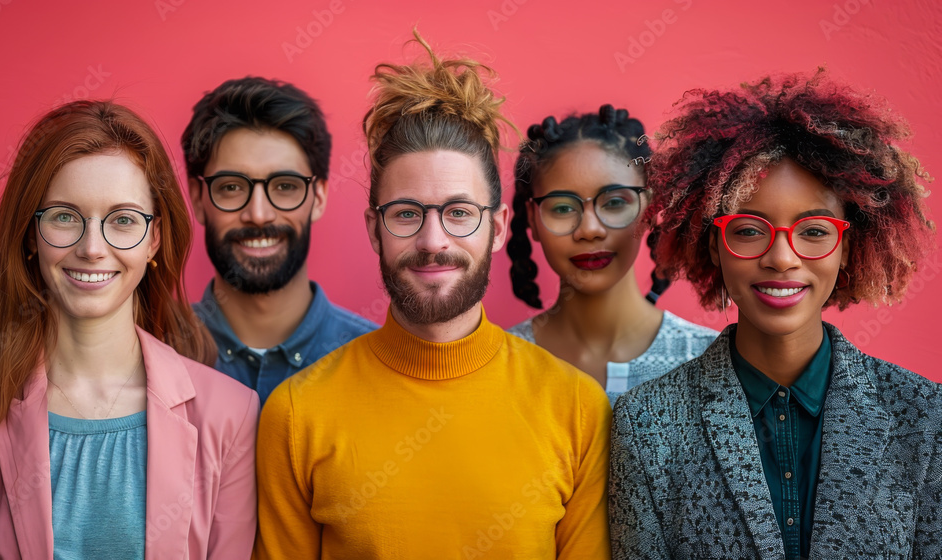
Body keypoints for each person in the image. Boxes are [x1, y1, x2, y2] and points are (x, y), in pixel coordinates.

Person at [253, 32, 611, 559]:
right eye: (406, 213)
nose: (432, 241)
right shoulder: (296, 414)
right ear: (374, 230)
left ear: (498, 227)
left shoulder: (577, 409)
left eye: (459, 213)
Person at [609, 70, 941, 559]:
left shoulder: (926, 418)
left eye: (812, 230)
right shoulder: (645, 425)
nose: (782, 258)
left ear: (847, 247)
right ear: (714, 245)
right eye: (748, 230)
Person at [0, 100, 258, 559]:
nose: (92, 248)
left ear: (154, 239)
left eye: (123, 220)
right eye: (65, 216)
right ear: (32, 234)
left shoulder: (229, 415)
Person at [182, 77, 377, 405]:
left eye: (285, 186)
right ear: (198, 199)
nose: (258, 214)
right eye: (231, 187)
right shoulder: (148, 357)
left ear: (318, 197)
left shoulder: (376, 364)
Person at [507, 105, 717, 405]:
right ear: (533, 219)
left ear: (650, 208)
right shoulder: (501, 365)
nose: (589, 229)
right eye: (563, 207)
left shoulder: (708, 362)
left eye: (615, 202)